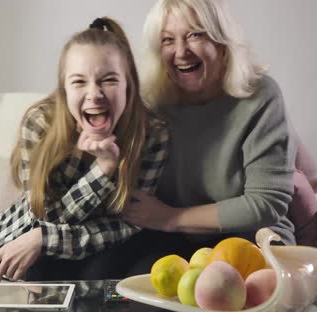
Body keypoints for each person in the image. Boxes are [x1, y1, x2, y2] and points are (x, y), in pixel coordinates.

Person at [0, 17, 169, 282]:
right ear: (64, 89)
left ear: (128, 85)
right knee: (37, 274)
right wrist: (102, 170)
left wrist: (46, 238)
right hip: (35, 233)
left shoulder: (152, 134)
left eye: (108, 80)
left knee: (107, 278)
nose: (94, 94)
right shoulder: (40, 124)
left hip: (104, 244)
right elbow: (45, 215)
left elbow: (131, 222)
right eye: (79, 82)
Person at [120, 0, 297, 267]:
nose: (181, 52)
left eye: (195, 34)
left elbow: (266, 203)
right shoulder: (149, 100)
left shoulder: (260, 96)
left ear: (222, 41)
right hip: (171, 240)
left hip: (252, 238)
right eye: (168, 40)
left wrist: (170, 218)